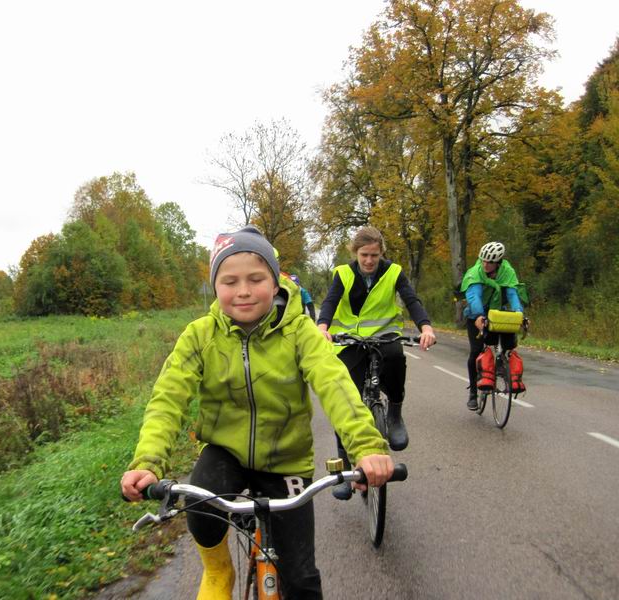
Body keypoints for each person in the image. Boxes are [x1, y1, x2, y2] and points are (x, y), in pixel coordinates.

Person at [121, 225, 393, 600]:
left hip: (286, 461)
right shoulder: (199, 335)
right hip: (224, 452)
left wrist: (366, 446)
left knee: (301, 580)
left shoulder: (300, 332)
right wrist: (148, 461)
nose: (244, 290)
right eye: (230, 281)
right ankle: (219, 570)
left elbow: (336, 386)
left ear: (276, 280)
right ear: (215, 287)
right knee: (198, 508)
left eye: (256, 278)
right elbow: (168, 398)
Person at [317, 226, 435, 499]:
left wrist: (425, 326)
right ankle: (344, 469)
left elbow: (411, 300)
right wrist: (323, 327)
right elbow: (330, 302)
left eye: (374, 255)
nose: (369, 261)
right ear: (355, 253)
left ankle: (394, 414)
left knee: (395, 357)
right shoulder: (343, 274)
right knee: (346, 399)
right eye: (364, 255)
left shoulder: (393, 272)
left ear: (382, 253)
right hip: (350, 340)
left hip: (385, 335)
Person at [460, 241, 525, 410]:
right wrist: (480, 316)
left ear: (498, 262)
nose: (485, 264)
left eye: (489, 262)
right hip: (476, 314)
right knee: (475, 351)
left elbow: (513, 294)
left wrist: (520, 314)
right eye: (483, 260)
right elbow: (474, 296)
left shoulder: (507, 272)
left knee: (509, 341)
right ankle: (473, 393)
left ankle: (502, 364)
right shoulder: (475, 273)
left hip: (497, 313)